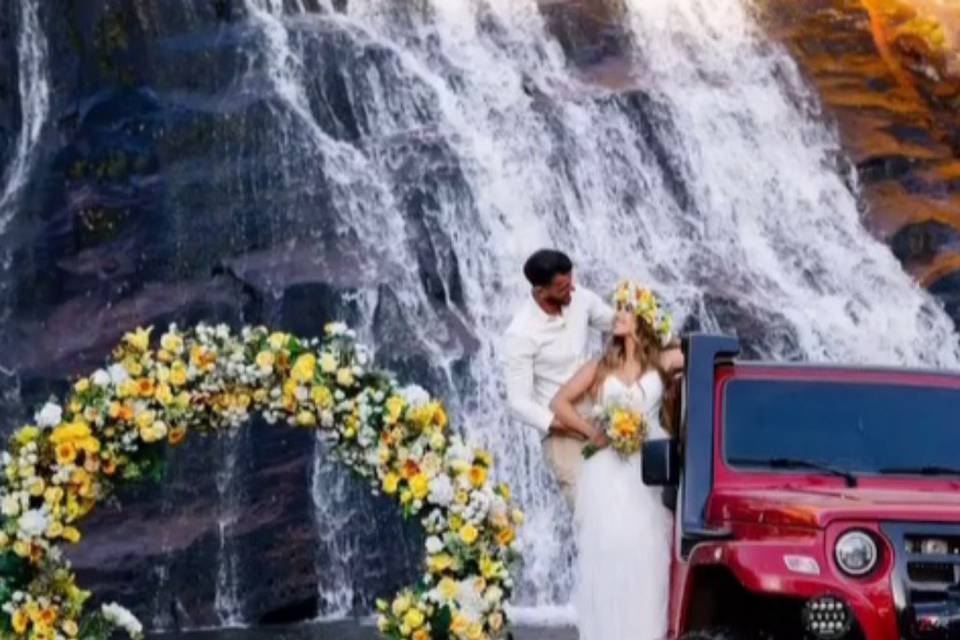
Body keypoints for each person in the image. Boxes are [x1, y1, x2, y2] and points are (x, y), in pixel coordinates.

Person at [550, 281, 684, 640]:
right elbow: (559, 403)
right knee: (608, 552)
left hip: (649, 470)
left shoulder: (662, 361)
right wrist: (591, 433)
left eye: (625, 309)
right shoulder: (601, 367)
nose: (616, 315)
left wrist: (664, 333)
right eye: (617, 308)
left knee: (645, 552)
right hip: (609, 471)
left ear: (642, 318)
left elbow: (698, 355)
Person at [502, 249, 614, 507]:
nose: (572, 290)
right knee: (587, 509)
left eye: (571, 281)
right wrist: (571, 427)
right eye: (563, 288)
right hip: (562, 430)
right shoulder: (520, 334)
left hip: (602, 409)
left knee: (620, 502)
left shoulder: (580, 298)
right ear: (541, 292)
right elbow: (518, 402)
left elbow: (614, 322)